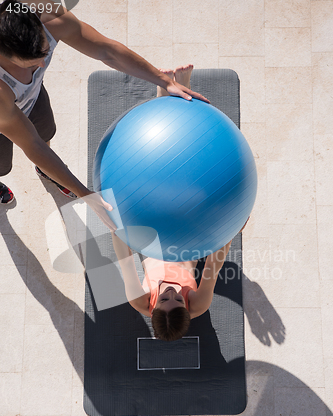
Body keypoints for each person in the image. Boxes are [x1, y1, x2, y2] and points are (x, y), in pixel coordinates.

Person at [0, 0, 208, 229]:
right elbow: (31, 145)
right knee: (2, 165)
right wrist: (86, 194)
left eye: (45, 53)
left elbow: (106, 50)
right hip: (5, 112)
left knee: (46, 131)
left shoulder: (46, 12)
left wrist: (165, 81)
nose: (42, 64)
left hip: (30, 97)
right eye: (31, 65)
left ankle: (48, 171)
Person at [112, 64, 249, 342]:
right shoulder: (198, 306)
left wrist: (116, 223)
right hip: (192, 234)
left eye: (164, 301)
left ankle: (165, 94)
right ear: (187, 308)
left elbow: (125, 260)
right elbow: (213, 265)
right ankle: (174, 95)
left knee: (159, 171)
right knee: (186, 175)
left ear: (153, 310)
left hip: (154, 235)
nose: (171, 294)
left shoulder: (139, 301)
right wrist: (231, 227)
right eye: (178, 301)